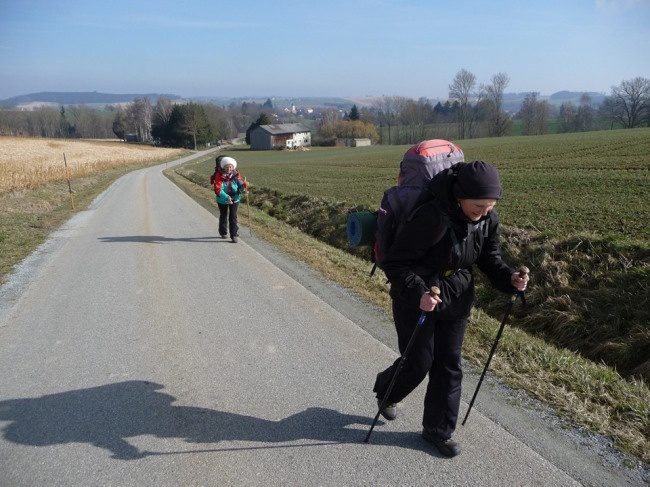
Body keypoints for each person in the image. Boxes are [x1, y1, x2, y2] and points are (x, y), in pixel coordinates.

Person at [373, 160, 529, 458]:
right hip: (415, 295)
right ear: (459, 195)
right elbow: (395, 263)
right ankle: (386, 392)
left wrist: (509, 279)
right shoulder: (430, 216)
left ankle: (438, 431)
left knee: (449, 364)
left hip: (456, 295)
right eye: (478, 206)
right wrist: (418, 293)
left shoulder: (487, 220)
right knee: (419, 361)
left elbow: (489, 260)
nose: (483, 213)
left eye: (490, 206)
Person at [212, 155, 249, 243]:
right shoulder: (218, 175)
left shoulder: (236, 175)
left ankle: (234, 235)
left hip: (235, 198)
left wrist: (245, 189)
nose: (228, 169)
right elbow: (218, 189)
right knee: (224, 215)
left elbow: (241, 184)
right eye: (227, 167)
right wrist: (227, 197)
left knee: (233, 216)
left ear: (233, 168)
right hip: (222, 199)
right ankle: (223, 232)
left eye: (230, 167)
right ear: (223, 167)